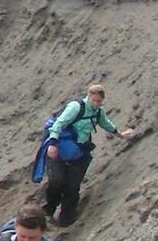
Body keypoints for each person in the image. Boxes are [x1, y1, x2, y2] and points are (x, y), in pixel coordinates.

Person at [43, 82, 137, 227]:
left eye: (99, 101)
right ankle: (48, 211)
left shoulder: (99, 111)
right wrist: (53, 144)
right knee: (56, 181)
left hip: (80, 152)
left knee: (73, 186)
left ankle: (66, 219)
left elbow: (106, 124)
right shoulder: (76, 107)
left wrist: (120, 134)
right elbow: (58, 124)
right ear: (89, 96)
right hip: (61, 148)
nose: (96, 104)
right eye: (94, 100)